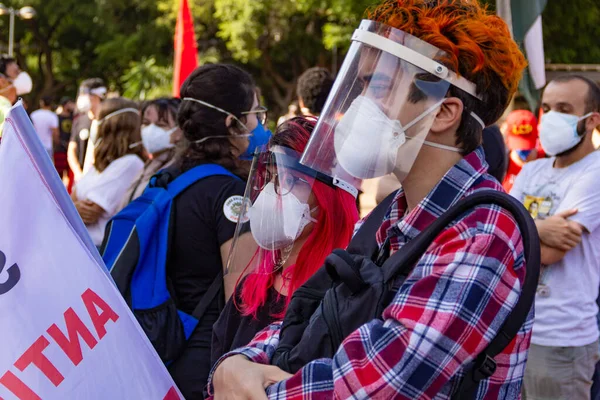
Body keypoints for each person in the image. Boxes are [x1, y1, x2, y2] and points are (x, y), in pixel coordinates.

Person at [209, 0, 531, 398]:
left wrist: (248, 387)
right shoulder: (389, 217)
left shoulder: (481, 233)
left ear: (445, 112)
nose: (358, 107)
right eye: (359, 86)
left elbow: (375, 384)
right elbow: (308, 315)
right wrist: (237, 364)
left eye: (377, 87)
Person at [211, 117, 359, 364]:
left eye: (291, 181)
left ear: (329, 199)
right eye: (269, 178)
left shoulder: (341, 298)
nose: (272, 192)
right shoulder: (248, 292)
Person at [164, 63, 266, 399]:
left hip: (165, 347)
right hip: (204, 360)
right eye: (254, 114)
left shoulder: (169, 177)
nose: (259, 125)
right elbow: (242, 297)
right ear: (231, 123)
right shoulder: (229, 194)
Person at [510, 75, 600, 400]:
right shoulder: (532, 170)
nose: (550, 117)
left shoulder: (595, 172)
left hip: (562, 338)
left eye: (564, 108)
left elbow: (550, 254)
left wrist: (521, 226)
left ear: (591, 121)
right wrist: (542, 228)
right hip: (514, 331)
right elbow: (500, 236)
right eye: (546, 108)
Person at [72, 98, 144, 247]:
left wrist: (69, 206)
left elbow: (90, 213)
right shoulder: (102, 164)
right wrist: (72, 206)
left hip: (97, 251)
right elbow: (71, 200)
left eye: (98, 119)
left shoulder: (130, 163)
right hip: (80, 245)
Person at [119, 97, 183, 209]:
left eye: (161, 125)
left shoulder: (175, 172)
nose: (150, 130)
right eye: (146, 123)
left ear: (179, 132)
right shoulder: (149, 164)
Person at [68, 78, 106, 183]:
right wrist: (78, 173)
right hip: (81, 178)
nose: (82, 98)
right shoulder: (79, 120)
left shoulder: (107, 121)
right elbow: (71, 150)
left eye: (86, 94)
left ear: (98, 95)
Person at [502, 109, 540, 192]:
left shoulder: (546, 160)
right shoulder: (501, 163)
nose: (522, 150)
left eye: (526, 144)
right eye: (518, 144)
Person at [55, 97, 75, 186]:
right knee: (59, 173)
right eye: (69, 103)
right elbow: (56, 133)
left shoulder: (74, 117)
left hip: (71, 148)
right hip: (60, 148)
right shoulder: (57, 118)